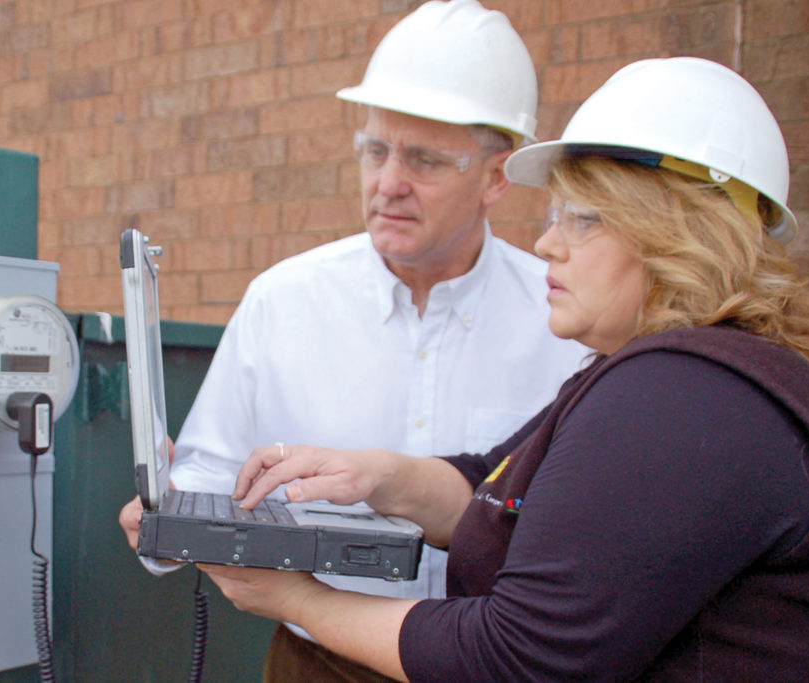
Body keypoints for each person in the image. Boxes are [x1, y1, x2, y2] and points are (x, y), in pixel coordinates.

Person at [195, 57, 809, 681]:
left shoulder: (687, 398)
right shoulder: (674, 375)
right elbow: (495, 489)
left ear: (677, 235)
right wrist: (374, 475)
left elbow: (518, 657)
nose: (548, 243)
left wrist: (297, 599)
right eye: (555, 216)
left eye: (582, 220)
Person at [119, 1, 588, 680]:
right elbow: (206, 475)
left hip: (496, 662)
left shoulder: (564, 319)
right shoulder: (283, 301)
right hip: (319, 662)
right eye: (376, 150)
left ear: (496, 175)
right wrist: (161, 518)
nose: (387, 183)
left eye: (424, 159)